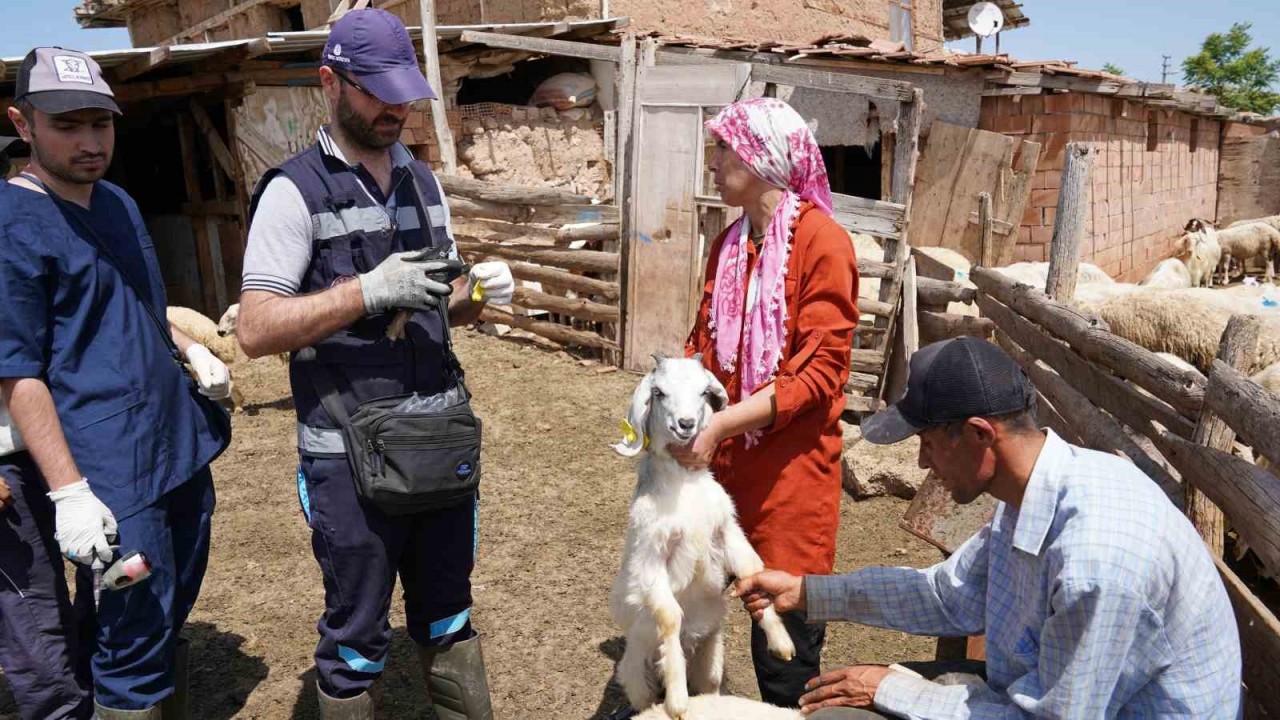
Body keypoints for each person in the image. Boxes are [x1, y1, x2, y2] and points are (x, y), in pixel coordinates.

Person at [235, 9, 513, 719]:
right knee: (357, 637)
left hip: (438, 440)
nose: (396, 108)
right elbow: (258, 329)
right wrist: (364, 290)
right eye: (378, 92)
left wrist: (476, 294)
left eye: (406, 93)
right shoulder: (293, 192)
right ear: (331, 82)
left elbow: (440, 303)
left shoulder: (423, 181)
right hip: (348, 459)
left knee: (450, 616)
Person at [734, 337, 1243, 719]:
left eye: (929, 444)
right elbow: (947, 596)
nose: (923, 461)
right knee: (834, 705)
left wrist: (896, 689)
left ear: (979, 435)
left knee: (846, 707)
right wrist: (807, 592)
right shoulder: (1031, 494)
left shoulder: (1097, 561)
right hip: (1040, 691)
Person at [0, 47, 233, 719]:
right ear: (23, 124)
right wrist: (70, 492)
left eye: (100, 124)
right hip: (111, 464)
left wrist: (189, 348)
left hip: (175, 441)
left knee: (172, 599)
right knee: (131, 627)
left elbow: (128, 304)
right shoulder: (14, 227)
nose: (90, 141)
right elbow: (15, 371)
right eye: (67, 125)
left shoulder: (119, 204)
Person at [673, 98, 859, 708]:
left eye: (724, 149)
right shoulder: (729, 244)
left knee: (781, 640)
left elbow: (820, 374)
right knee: (696, 618)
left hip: (789, 479)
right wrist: (677, 403)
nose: (714, 162)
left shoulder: (822, 242)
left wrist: (722, 422)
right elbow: (704, 343)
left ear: (760, 158)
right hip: (724, 471)